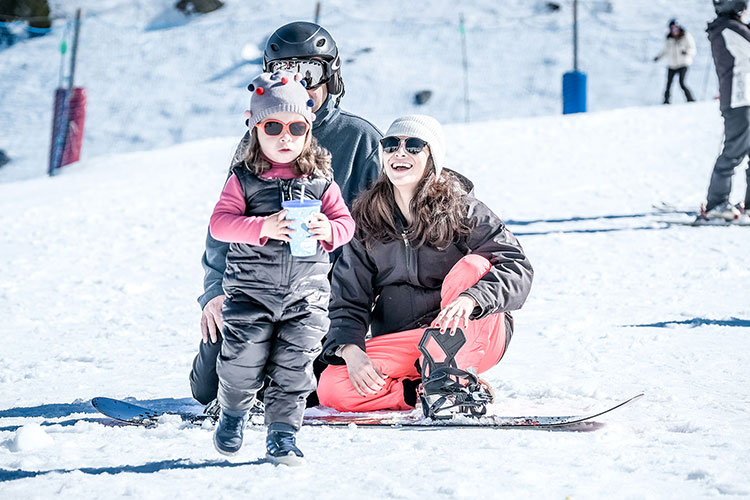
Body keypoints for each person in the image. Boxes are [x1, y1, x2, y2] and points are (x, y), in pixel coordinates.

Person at [189, 21, 382, 411]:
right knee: (208, 386)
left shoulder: (359, 139)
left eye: (309, 73)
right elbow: (223, 225)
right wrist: (215, 292)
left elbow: (377, 231)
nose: (299, 84)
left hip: (322, 292)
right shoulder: (257, 139)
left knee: (306, 386)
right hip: (256, 285)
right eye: (284, 72)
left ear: (332, 77)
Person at [315, 115, 534, 416]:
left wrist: (472, 299)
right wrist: (350, 350)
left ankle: (453, 379)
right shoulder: (366, 220)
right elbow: (348, 298)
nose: (400, 152)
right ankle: (422, 392)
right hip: (410, 342)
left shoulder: (463, 210)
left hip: (469, 332)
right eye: (391, 145)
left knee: (474, 266)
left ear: (433, 158)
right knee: (332, 386)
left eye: (414, 146)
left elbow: (516, 266)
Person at [208, 70, 355, 463]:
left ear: (308, 131)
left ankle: (283, 435)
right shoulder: (244, 180)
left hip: (306, 298)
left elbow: (347, 224)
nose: (285, 136)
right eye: (273, 126)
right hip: (250, 294)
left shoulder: (322, 183)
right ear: (256, 129)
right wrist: (262, 226)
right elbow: (219, 224)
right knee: (241, 362)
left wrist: (329, 228)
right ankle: (233, 412)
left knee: (295, 369)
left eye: (295, 127)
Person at [701, 0, 750, 221]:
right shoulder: (729, 28)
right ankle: (716, 203)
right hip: (740, 99)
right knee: (733, 152)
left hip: (743, 98)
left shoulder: (727, 28)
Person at [654, 18, 696, 104]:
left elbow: (693, 49)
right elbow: (665, 51)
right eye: (672, 28)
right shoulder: (669, 39)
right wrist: (658, 57)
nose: (675, 30)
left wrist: (687, 52)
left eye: (676, 27)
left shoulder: (685, 36)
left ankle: (690, 99)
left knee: (682, 83)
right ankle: (666, 101)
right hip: (672, 65)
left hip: (683, 63)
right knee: (668, 84)